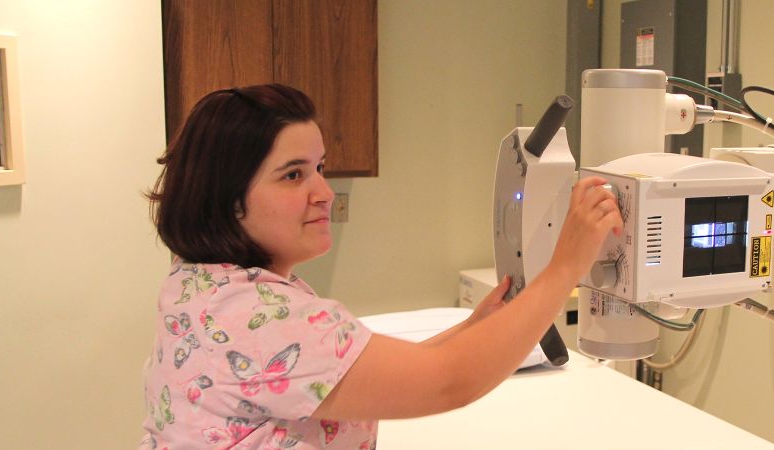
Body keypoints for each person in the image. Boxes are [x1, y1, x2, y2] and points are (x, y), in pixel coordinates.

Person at [140, 84, 622, 449]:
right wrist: (567, 264)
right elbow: (448, 381)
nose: (324, 193)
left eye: (320, 169)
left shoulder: (202, 285)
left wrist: (474, 328)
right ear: (226, 198)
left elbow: (349, 375)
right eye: (293, 175)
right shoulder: (263, 318)